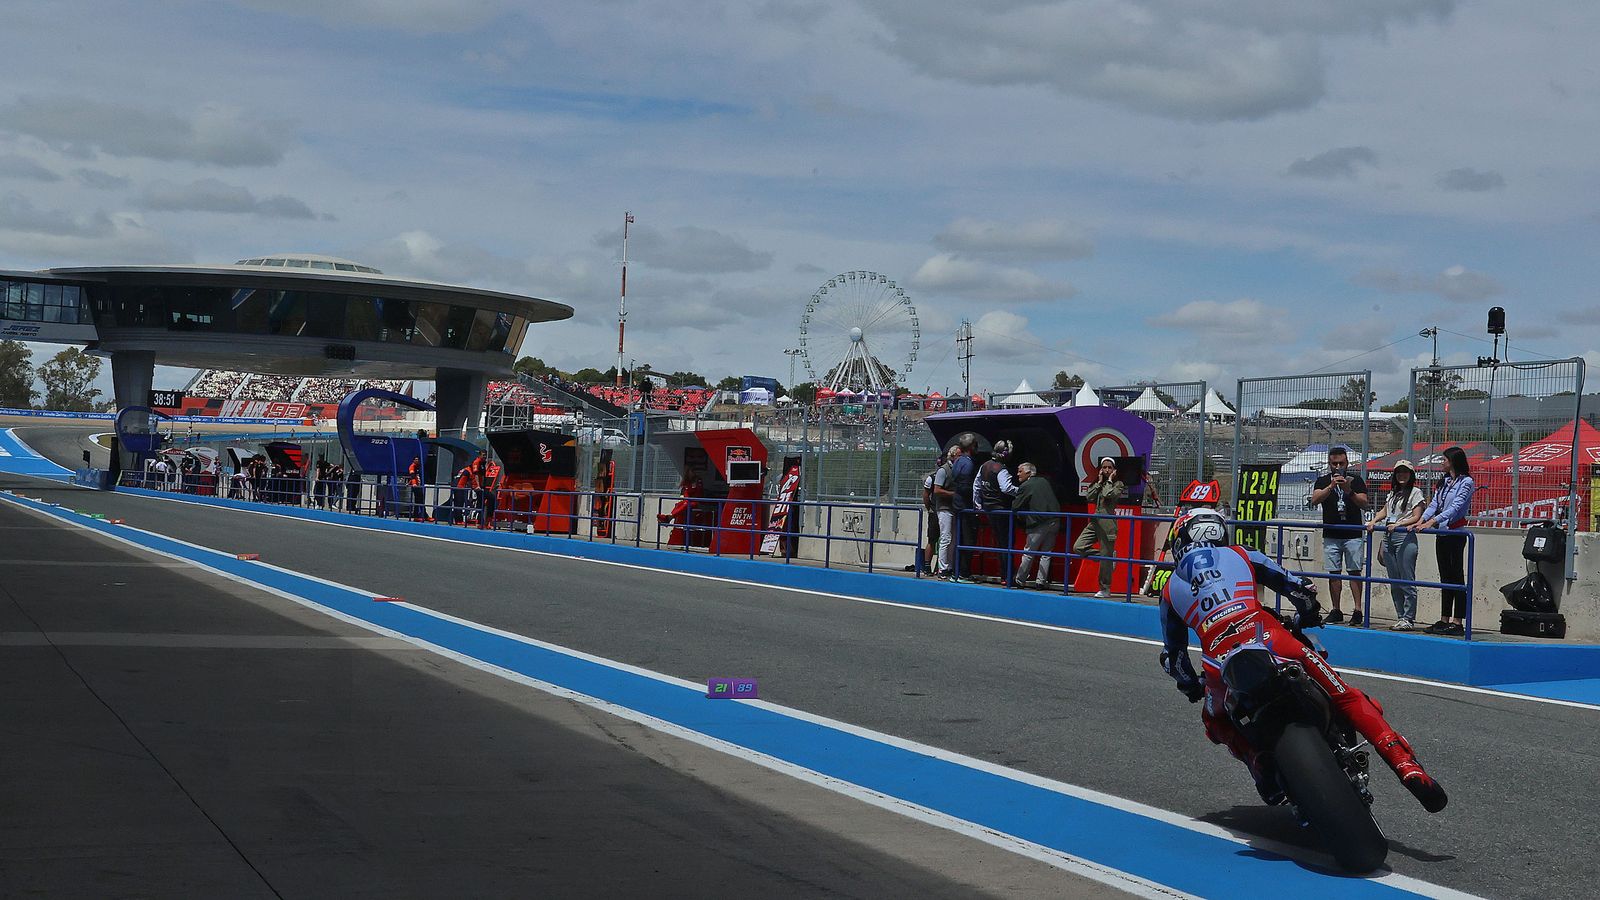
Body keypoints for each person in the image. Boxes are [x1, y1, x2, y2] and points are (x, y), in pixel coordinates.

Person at [1159, 507, 1448, 813]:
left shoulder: (1169, 589)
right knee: (1347, 696)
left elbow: (1174, 658)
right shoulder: (1241, 554)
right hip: (1269, 637)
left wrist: (1191, 686)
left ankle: (1258, 764)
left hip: (1219, 663)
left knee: (1213, 722)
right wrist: (1309, 611)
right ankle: (1406, 766)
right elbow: (1296, 586)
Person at [1413, 446, 1476, 636]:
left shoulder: (1466, 482)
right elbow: (1434, 504)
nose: (1442, 463)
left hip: (1455, 533)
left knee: (1457, 577)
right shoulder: (1445, 481)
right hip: (1442, 533)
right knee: (1445, 577)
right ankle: (1444, 618)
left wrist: (1433, 521)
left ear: (1453, 461)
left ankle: (1458, 621)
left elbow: (1455, 507)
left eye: (1445, 460)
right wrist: (1422, 520)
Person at [1307, 446, 1369, 626]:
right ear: (1329, 464)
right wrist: (1331, 486)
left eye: (1341, 463)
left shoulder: (1355, 480)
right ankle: (1336, 609)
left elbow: (1364, 503)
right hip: (1332, 534)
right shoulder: (1322, 481)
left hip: (1353, 533)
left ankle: (1357, 610)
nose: (1338, 467)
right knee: (1334, 573)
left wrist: (1349, 490)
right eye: (1334, 464)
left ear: (1347, 463)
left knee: (1354, 571)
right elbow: (1315, 500)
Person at [1367, 460, 1426, 630]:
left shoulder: (1416, 492)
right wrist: (1374, 521)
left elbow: (1416, 516)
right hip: (1389, 537)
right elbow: (1385, 511)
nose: (1402, 475)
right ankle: (1400, 616)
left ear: (1411, 474)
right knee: (1394, 580)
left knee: (1407, 579)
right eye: (1399, 472)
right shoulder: (1393, 493)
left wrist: (1398, 524)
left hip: (1404, 537)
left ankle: (1408, 618)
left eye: (1405, 472)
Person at [1074, 456, 1126, 598]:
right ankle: (1107, 558)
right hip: (1094, 522)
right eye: (1104, 467)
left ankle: (1105, 588)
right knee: (1078, 547)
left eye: (1109, 468)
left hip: (1108, 524)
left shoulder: (1118, 484)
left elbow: (1108, 494)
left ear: (1114, 470)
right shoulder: (1098, 482)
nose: (1107, 470)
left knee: (1105, 559)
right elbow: (1089, 497)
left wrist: (1109, 481)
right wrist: (1099, 482)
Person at [974, 439, 1020, 584]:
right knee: (1007, 543)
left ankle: (1004, 574)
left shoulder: (984, 466)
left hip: (988, 509)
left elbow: (976, 486)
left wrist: (978, 504)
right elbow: (1006, 488)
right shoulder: (1001, 469)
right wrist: (1021, 491)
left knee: (1000, 542)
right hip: (1001, 509)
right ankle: (1007, 575)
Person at [1012, 462, 1061, 588]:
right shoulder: (1044, 481)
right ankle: (1041, 582)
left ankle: (1019, 580)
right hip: (1055, 520)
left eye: (1020, 471)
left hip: (1038, 523)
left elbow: (1015, 506)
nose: (1017, 474)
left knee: (1029, 552)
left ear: (1028, 473)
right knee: (1047, 553)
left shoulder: (1026, 486)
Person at [931, 445, 965, 580]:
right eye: (959, 456)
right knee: (946, 537)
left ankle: (949, 566)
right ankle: (942, 568)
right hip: (944, 508)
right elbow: (937, 490)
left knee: (953, 539)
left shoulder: (958, 470)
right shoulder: (943, 470)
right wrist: (953, 494)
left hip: (953, 508)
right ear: (953, 456)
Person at [949, 433, 980, 581]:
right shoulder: (968, 463)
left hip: (957, 504)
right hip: (965, 506)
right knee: (968, 540)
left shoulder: (958, 461)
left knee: (959, 539)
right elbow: (965, 485)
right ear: (971, 446)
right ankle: (963, 573)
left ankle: (956, 572)